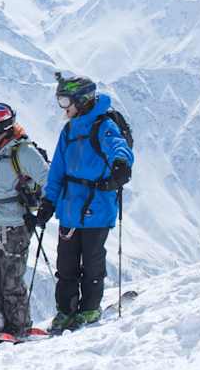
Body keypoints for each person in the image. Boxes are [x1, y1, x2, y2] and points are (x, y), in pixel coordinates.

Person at [36, 73, 133, 333]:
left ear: (83, 100)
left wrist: (121, 164)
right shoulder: (68, 131)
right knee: (66, 265)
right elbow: (57, 171)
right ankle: (65, 311)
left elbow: (118, 147)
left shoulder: (103, 125)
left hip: (97, 206)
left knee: (91, 262)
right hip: (69, 208)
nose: (63, 108)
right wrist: (48, 202)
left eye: (66, 101)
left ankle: (89, 309)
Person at [0, 102, 49, 346]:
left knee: (11, 281)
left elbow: (48, 179)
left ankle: (18, 328)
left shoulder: (22, 152)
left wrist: (40, 211)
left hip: (15, 224)